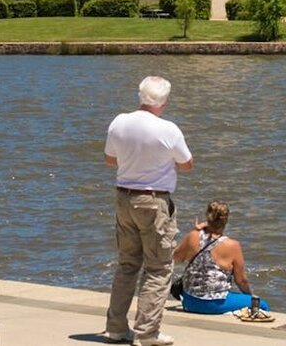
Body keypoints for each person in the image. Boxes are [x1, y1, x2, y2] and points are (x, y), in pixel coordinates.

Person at [103, 76, 193, 346]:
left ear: (141, 96)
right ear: (164, 102)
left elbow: (109, 159)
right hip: (154, 201)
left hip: (124, 197)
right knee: (159, 267)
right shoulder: (168, 129)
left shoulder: (119, 121)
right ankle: (146, 333)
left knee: (127, 264)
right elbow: (187, 164)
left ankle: (116, 327)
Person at [173, 200, 270, 314]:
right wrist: (250, 297)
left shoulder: (193, 236)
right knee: (262, 305)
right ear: (226, 220)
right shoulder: (232, 245)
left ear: (207, 217)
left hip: (190, 302)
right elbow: (241, 281)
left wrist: (195, 230)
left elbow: (176, 259)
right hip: (215, 304)